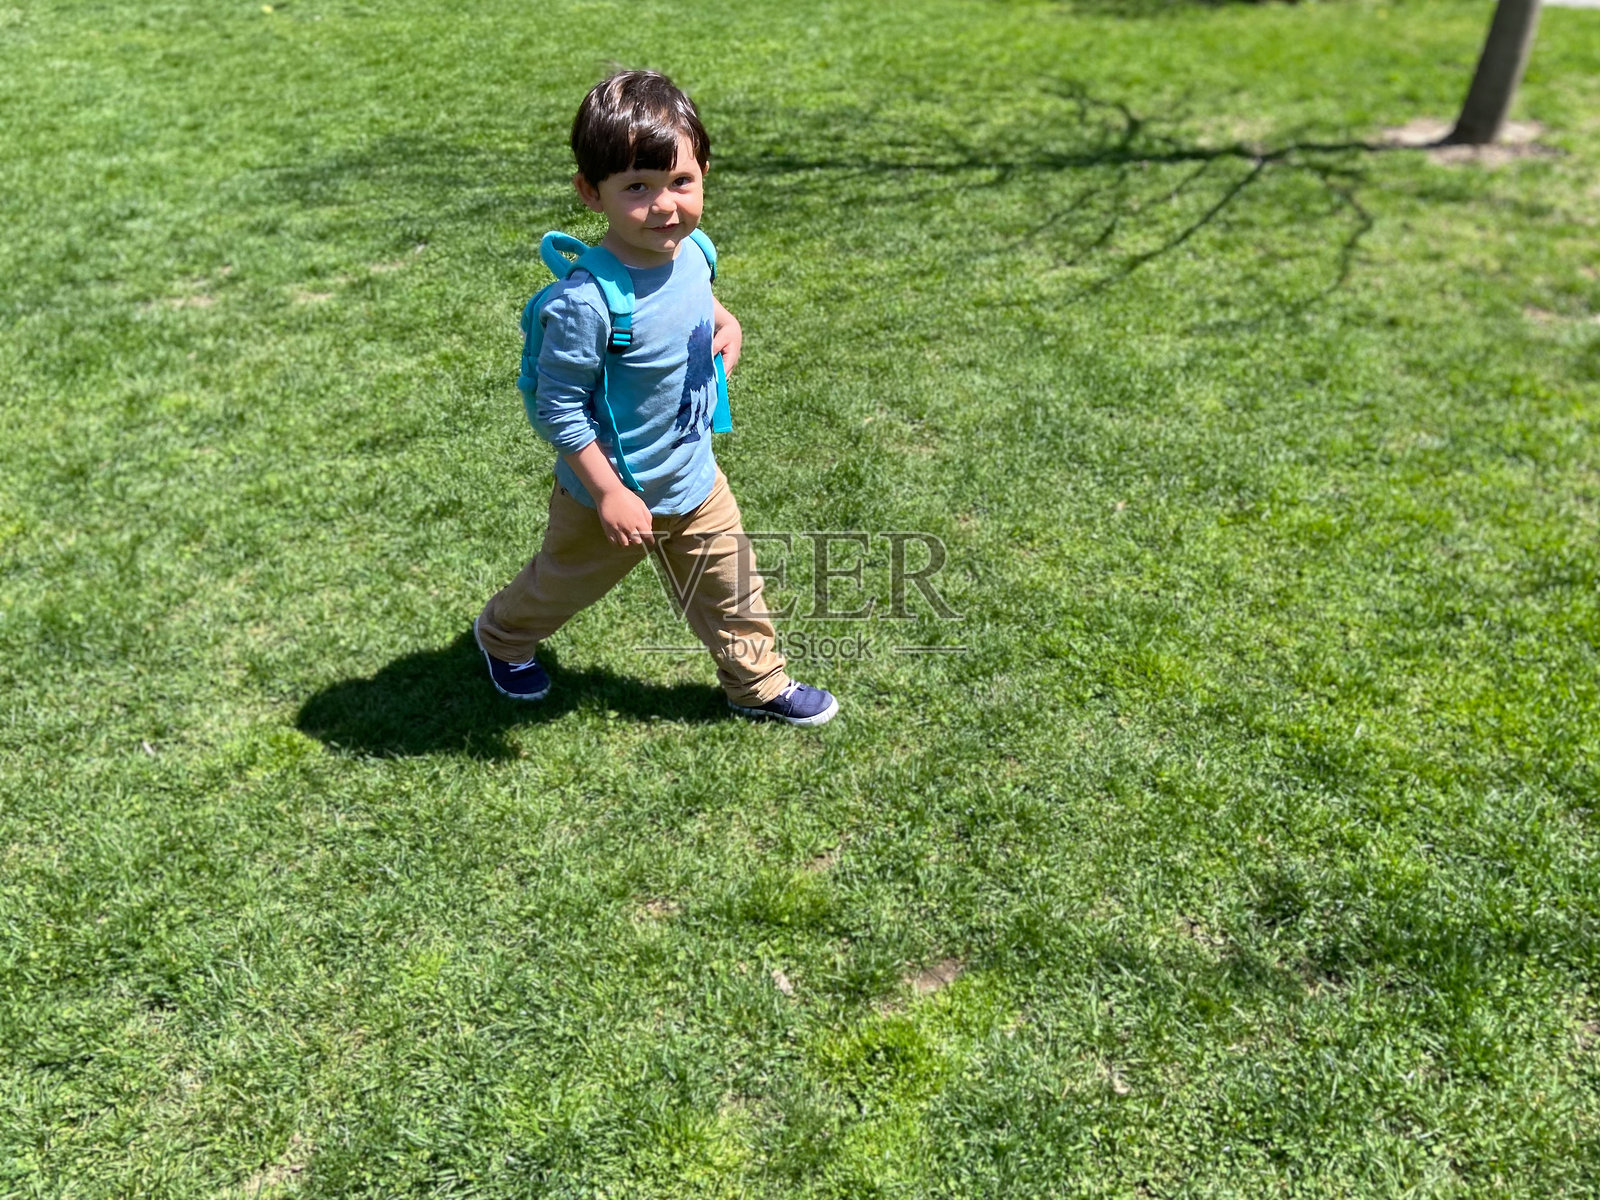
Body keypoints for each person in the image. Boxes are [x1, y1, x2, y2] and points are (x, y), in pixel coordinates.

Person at [474, 70, 838, 726]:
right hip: (605, 499)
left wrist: (727, 325)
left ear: (704, 175)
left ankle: (757, 684)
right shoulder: (586, 304)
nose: (665, 206)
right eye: (637, 188)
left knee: (733, 593)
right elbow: (559, 406)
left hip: (693, 478)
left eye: (681, 182)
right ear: (592, 193)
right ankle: (503, 637)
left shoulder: (693, 251)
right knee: (562, 586)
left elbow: (700, 303)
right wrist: (611, 492)